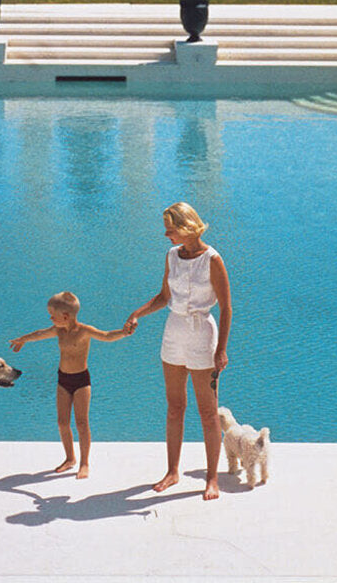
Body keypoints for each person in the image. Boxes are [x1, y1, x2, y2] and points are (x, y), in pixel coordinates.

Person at [124, 202, 232, 500]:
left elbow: (226, 309)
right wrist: (137, 313)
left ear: (185, 227)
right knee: (174, 408)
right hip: (173, 333)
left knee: (208, 413)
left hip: (202, 336)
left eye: (170, 229)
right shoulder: (172, 255)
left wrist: (221, 349)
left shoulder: (212, 259)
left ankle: (211, 478)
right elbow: (164, 296)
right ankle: (173, 472)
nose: (166, 234)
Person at [10, 290, 131, 478]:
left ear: (65, 316)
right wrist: (23, 340)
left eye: (53, 316)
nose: (50, 319)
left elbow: (106, 335)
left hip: (81, 381)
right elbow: (40, 334)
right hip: (63, 379)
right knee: (62, 422)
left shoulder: (84, 331)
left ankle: (84, 463)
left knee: (82, 423)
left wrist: (123, 333)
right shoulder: (58, 330)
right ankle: (70, 458)